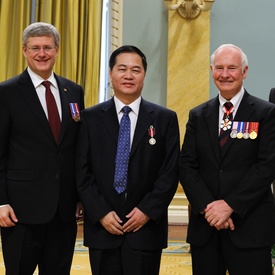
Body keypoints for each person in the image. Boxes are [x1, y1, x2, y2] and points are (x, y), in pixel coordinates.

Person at [75, 45, 180, 275]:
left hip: (145, 228)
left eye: (136, 69)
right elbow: (82, 171)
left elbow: (170, 172)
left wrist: (147, 211)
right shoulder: (90, 118)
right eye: (122, 69)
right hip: (103, 228)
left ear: (144, 75)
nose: (129, 75)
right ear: (111, 73)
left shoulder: (164, 119)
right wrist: (100, 212)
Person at [179, 44, 275, 275]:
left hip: (250, 226)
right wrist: (209, 209)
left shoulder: (266, 113)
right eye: (219, 68)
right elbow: (187, 166)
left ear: (244, 71)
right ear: (212, 70)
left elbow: (266, 166)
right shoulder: (198, 115)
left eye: (232, 68)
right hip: (206, 227)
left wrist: (230, 205)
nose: (225, 74)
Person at [0, 22, 85, 274]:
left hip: (64, 210)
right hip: (20, 211)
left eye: (47, 47)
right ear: (24, 51)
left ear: (57, 50)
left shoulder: (74, 91)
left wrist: (80, 196)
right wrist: (1, 201)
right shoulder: (7, 92)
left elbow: (77, 148)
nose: (42, 53)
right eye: (35, 48)